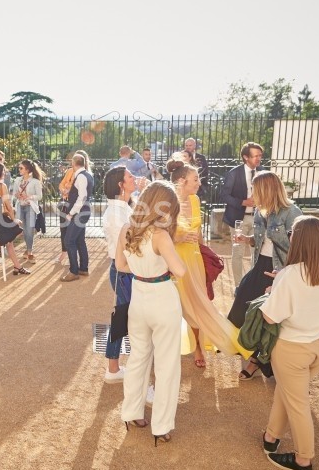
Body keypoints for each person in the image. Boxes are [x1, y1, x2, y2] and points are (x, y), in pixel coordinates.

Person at [259, 216, 319, 470]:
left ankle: (303, 459)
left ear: (299, 239)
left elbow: (270, 317)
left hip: (291, 348)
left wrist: (273, 291)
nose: (289, 235)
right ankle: (270, 437)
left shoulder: (290, 274)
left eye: (292, 231)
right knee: (288, 394)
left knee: (298, 404)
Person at [115, 182, 189, 443]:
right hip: (162, 300)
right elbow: (180, 271)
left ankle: (132, 412)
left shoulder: (127, 229)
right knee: (167, 364)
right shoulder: (160, 235)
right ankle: (161, 425)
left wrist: (141, 268)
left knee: (138, 358)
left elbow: (120, 265)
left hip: (138, 298)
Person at [166, 160, 245, 368]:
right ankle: (166, 348)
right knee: (173, 306)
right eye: (195, 179)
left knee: (199, 304)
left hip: (194, 259)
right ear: (182, 181)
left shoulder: (195, 200)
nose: (199, 182)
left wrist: (203, 252)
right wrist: (179, 239)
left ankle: (198, 347)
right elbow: (161, 235)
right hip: (173, 260)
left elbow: (198, 232)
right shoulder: (167, 203)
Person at [227, 172, 302, 379]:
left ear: (266, 190)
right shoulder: (261, 212)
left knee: (270, 317)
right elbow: (263, 241)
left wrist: (287, 274)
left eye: (255, 189)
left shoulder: (291, 212)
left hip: (281, 269)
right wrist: (247, 239)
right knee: (242, 307)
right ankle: (250, 351)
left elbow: (300, 245)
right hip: (260, 265)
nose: (252, 193)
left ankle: (256, 362)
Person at [100, 165, 136, 382]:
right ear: (121, 185)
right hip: (123, 271)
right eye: (130, 176)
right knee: (123, 319)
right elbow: (128, 245)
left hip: (128, 270)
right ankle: (113, 369)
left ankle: (115, 368)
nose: (135, 178)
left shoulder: (124, 207)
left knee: (127, 318)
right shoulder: (115, 213)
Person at [58, 152, 94, 281]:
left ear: (73, 164)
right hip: (82, 212)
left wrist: (71, 213)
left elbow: (82, 198)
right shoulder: (87, 175)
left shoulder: (81, 177)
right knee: (79, 240)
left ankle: (74, 271)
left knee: (68, 241)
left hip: (79, 213)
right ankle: (83, 269)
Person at [221, 142, 265, 231]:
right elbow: (224, 196)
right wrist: (243, 202)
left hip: (258, 218)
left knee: (256, 245)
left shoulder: (263, 171)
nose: (259, 158)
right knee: (239, 245)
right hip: (239, 219)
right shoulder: (233, 173)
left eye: (260, 155)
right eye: (255, 156)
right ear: (246, 157)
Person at [14, 159, 44, 260]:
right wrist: (17, 195)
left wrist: (29, 196)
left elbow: (39, 196)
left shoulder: (35, 181)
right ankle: (28, 249)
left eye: (21, 168)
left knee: (30, 229)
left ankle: (29, 251)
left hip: (30, 207)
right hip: (20, 206)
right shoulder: (17, 180)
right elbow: (14, 193)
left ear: (27, 170)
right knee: (24, 230)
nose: (19, 169)